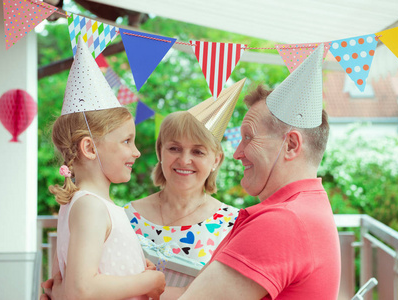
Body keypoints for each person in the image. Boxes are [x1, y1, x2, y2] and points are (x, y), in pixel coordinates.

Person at [41, 77, 247, 299]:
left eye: (198, 151)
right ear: (160, 152)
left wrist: (146, 282)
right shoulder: (121, 214)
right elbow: (69, 285)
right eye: (174, 148)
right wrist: (145, 280)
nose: (184, 160)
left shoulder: (235, 226)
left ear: (217, 159)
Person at [176, 44, 341, 299]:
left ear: (292, 145)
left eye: (248, 138)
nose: (237, 152)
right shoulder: (307, 208)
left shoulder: (282, 222)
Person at [48, 38, 165, 300]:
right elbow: (81, 290)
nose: (136, 152)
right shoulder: (90, 206)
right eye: (126, 141)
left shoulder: (83, 204)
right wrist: (149, 281)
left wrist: (135, 273)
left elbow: (62, 284)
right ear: (89, 148)